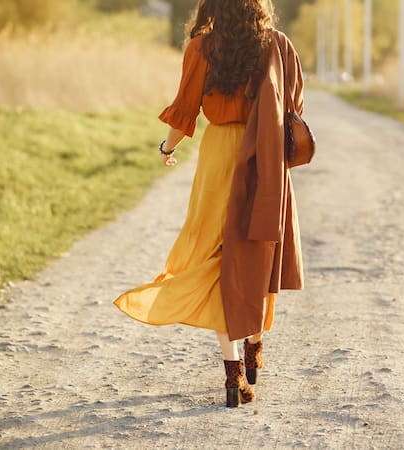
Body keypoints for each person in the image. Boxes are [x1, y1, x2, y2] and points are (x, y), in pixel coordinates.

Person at [112, 0, 305, 408]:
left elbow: (185, 111)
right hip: (262, 159)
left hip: (219, 156)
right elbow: (294, 108)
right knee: (255, 250)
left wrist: (165, 147)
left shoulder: (202, 48)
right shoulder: (278, 45)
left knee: (217, 256)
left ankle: (233, 374)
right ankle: (255, 343)